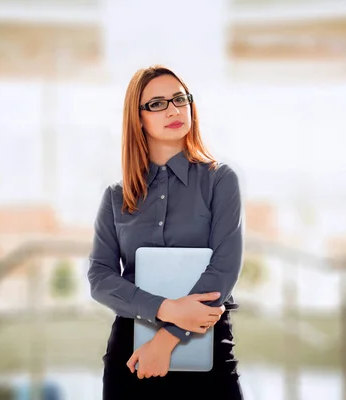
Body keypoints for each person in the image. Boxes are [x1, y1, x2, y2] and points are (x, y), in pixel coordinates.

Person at [88, 64, 244, 399]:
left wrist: (167, 338)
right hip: (133, 356)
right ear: (137, 117)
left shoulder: (220, 180)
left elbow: (224, 268)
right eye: (157, 103)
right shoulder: (117, 197)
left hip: (208, 345)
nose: (173, 109)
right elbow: (100, 278)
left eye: (179, 99)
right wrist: (165, 309)